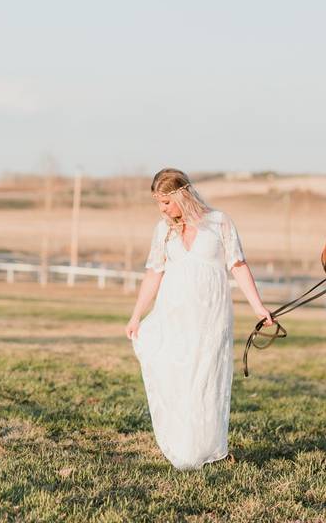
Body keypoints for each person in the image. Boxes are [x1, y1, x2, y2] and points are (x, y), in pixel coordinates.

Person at [125, 168, 273, 469]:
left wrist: (258, 307)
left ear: (182, 195)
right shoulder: (162, 230)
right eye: (158, 203)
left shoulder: (219, 223)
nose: (162, 209)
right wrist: (137, 314)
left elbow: (238, 265)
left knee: (207, 378)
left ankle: (211, 448)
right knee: (178, 375)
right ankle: (184, 442)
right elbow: (154, 273)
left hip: (211, 317)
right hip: (173, 316)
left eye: (166, 202)